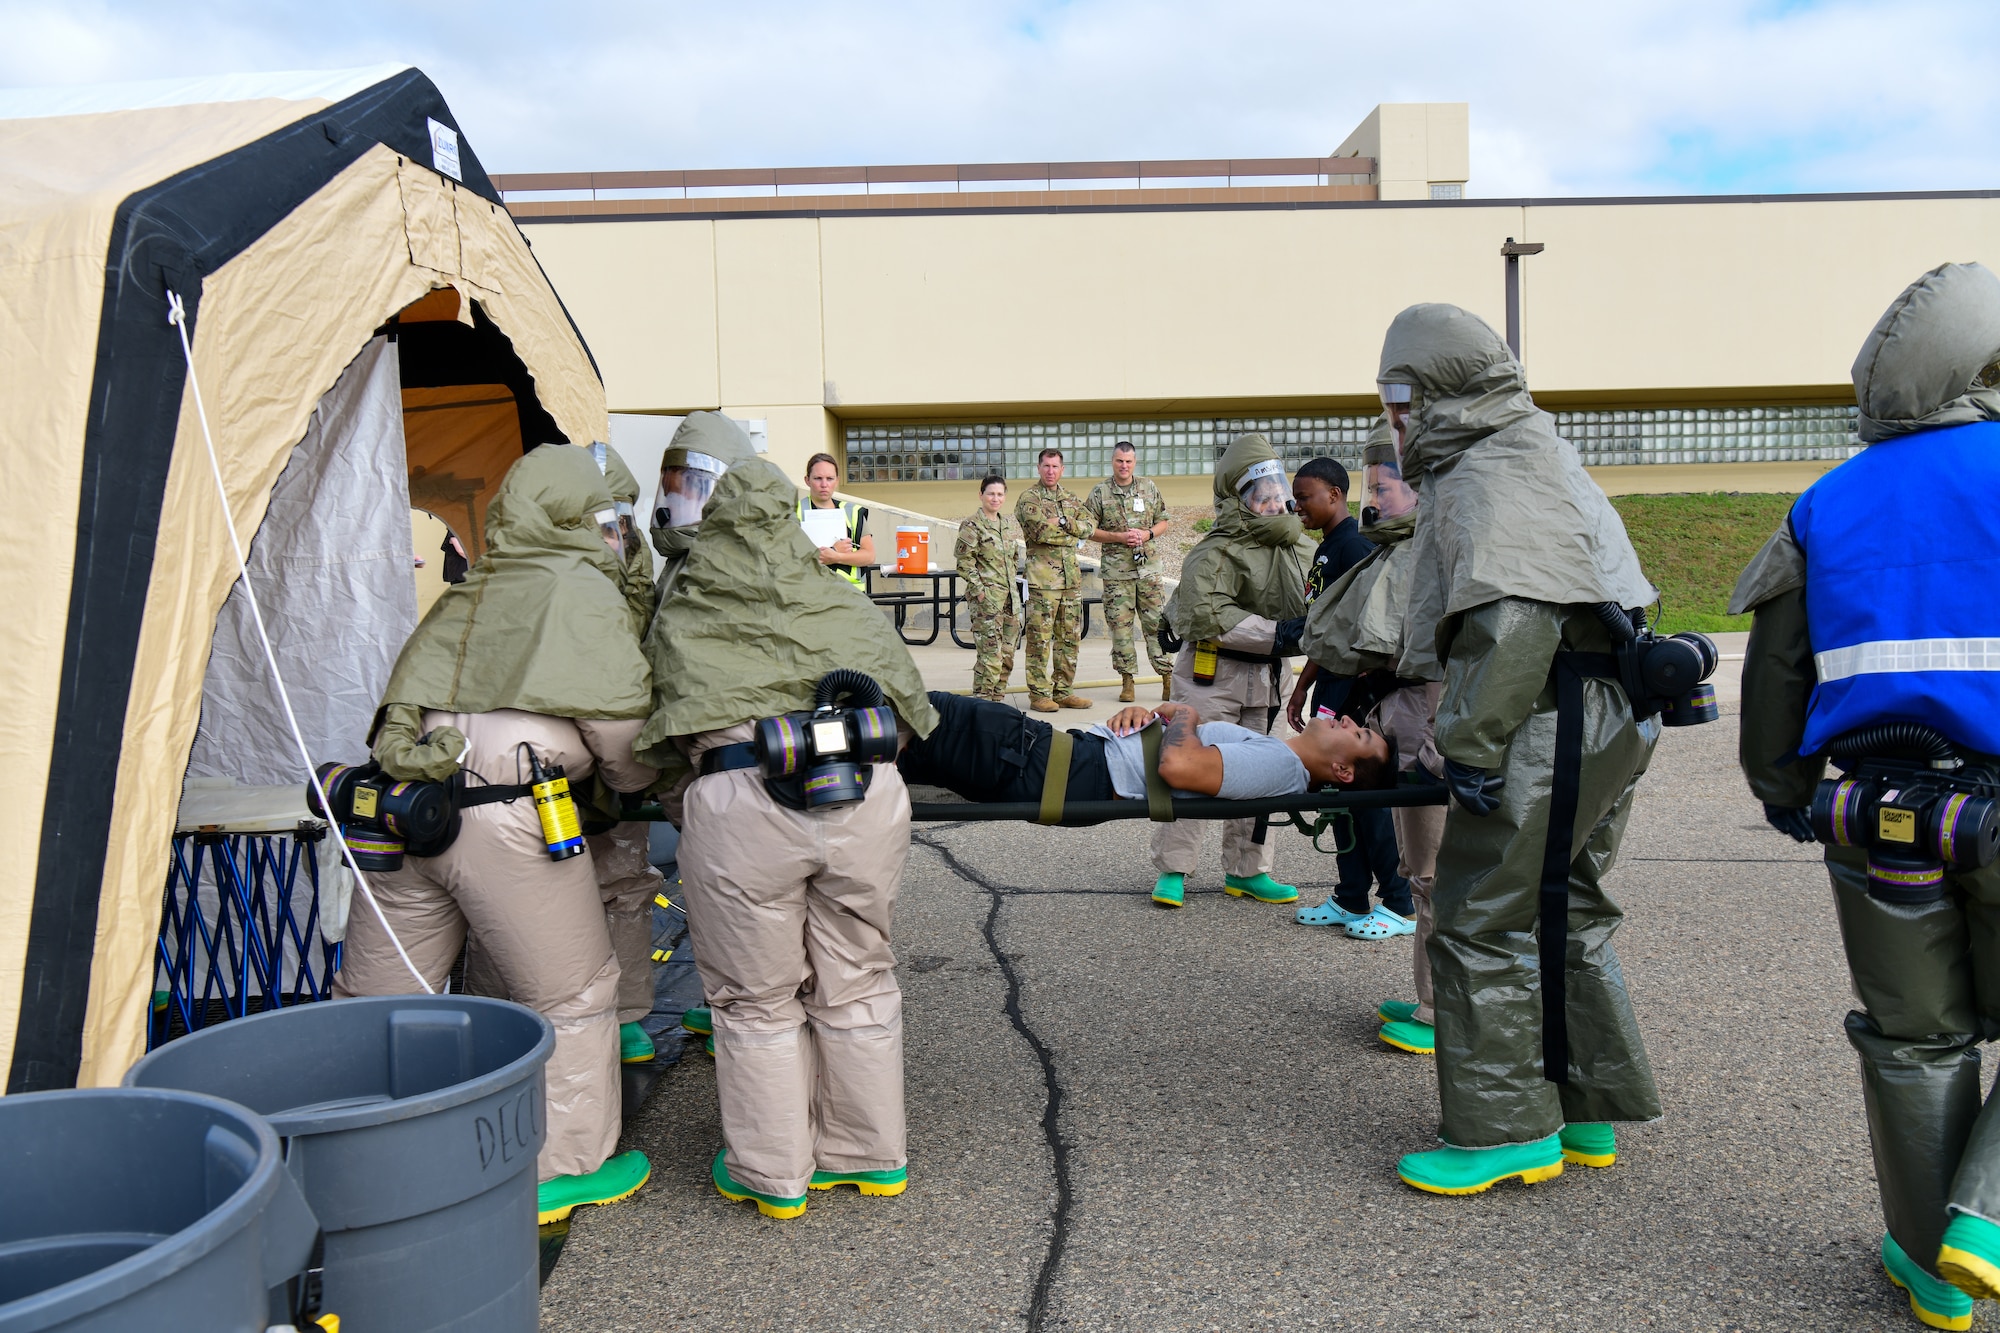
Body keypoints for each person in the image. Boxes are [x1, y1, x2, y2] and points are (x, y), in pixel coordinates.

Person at [1733, 262, 2000, 1331]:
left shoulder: (1825, 498)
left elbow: (1774, 667)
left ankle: (1933, 1266)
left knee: (1911, 1041)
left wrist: (1780, 788)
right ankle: (1982, 1213)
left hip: (1872, 813)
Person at [1373, 303, 1663, 1199]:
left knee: (1479, 914)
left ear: (1440, 391)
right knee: (1564, 905)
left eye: (1400, 395)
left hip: (1543, 715)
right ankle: (1580, 1106)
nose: (1392, 414)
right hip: (1600, 712)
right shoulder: (1535, 452)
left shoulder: (1485, 470)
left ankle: (1505, 1129)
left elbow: (1514, 618)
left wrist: (1468, 744)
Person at [334, 442, 657, 1224]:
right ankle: (564, 1166)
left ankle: (361, 1151)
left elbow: (400, 702)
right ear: (581, 518)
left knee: (382, 996)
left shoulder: (469, 589)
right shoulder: (577, 591)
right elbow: (620, 733)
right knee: (572, 994)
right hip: (509, 813)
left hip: (405, 812)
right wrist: (636, 787)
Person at [635, 444, 940, 1221]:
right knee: (859, 977)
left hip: (739, 802)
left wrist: (692, 809)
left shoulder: (687, 605)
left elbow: (660, 738)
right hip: (862, 796)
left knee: (755, 999)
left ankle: (776, 1176)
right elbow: (913, 711)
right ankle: (871, 1157)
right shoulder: (838, 597)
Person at [1300, 424, 1445, 1054]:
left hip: (1428, 722)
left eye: (1382, 488)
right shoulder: (1407, 548)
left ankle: (1440, 1009)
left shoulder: (1427, 554)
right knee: (1423, 869)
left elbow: (1385, 641)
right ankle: (1430, 991)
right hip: (1411, 716)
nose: (1373, 500)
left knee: (1438, 870)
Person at [1151, 433, 1309, 909]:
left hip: (1270, 681)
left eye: (1276, 487)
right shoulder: (1214, 551)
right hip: (1211, 678)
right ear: (1236, 497)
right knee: (1189, 769)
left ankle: (1249, 870)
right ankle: (1173, 869)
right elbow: (1207, 610)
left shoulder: (1298, 549)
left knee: (1265, 774)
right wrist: (1278, 634)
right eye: (1259, 492)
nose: (1272, 499)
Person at [1286, 452, 1411, 938]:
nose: (1298, 506)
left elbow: (1368, 626)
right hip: (1329, 687)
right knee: (1336, 797)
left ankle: (1398, 901)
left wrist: (1355, 690)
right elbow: (1326, 630)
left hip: (1352, 693)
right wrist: (1302, 685)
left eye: (1305, 497)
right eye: (1295, 498)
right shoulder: (1325, 548)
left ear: (1335, 494)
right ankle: (1351, 896)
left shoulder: (1354, 546)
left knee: (1366, 797)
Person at [900, 692, 1396, 806]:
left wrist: (1185, 715)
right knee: (885, 738)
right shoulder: (1279, 757)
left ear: (1342, 771)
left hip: (1045, 761)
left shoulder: (1281, 765)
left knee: (896, 707)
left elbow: (1179, 766)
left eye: (1359, 735)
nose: (1350, 720)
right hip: (1051, 757)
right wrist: (1148, 717)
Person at [1085, 441, 1173, 702]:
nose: (1124, 466)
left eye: (1128, 461)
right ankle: (1127, 682)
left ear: (1135, 463)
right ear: (1112, 462)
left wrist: (1146, 534)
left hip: (1148, 572)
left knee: (1157, 626)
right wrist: (1118, 537)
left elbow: (1164, 521)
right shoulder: (1100, 492)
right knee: (1121, 630)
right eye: (1119, 461)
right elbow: (1088, 529)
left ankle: (1167, 679)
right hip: (1116, 575)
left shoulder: (1148, 487)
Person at [1015, 448, 1093, 712]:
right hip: (1043, 582)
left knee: (1070, 639)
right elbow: (1038, 533)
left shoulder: (1070, 498)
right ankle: (1039, 694)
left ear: (1063, 469)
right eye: (1046, 466)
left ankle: (1064, 691)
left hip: (1071, 581)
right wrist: (1073, 534)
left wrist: (1061, 521)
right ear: (1038, 467)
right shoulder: (1029, 499)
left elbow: (1089, 526)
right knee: (1039, 639)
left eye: (1055, 466)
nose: (1050, 471)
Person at [956, 474, 1022, 702]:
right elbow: (964, 563)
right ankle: (982, 703)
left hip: (1010, 601)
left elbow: (1014, 559)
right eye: (991, 493)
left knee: (1007, 656)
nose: (996, 498)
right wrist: (980, 591)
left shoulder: (1007, 524)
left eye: (1000, 494)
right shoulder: (972, 525)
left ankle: (998, 701)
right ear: (981, 495)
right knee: (990, 657)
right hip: (987, 604)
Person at [799, 451, 873, 587]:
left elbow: (869, 556)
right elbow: (785, 558)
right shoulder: (792, 513)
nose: (824, 484)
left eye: (829, 478)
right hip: (809, 593)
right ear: (807, 480)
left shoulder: (853, 512)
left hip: (851, 595)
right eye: (818, 478)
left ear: (837, 481)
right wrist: (833, 551)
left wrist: (836, 557)